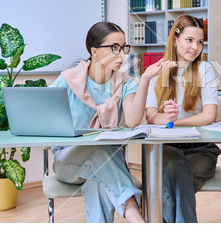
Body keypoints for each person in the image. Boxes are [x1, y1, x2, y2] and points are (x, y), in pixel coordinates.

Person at [51, 21, 175, 223]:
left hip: (104, 163)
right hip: (68, 161)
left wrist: (144, 79)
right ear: (95, 51)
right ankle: (138, 221)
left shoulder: (125, 82)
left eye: (124, 48)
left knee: (97, 181)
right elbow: (45, 117)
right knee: (98, 149)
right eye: (114, 48)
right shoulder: (68, 79)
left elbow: (134, 120)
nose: (122, 55)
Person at [145, 14, 220, 223]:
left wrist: (173, 122)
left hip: (201, 148)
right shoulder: (157, 72)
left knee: (166, 183)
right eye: (189, 40)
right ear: (175, 39)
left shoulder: (205, 69)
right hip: (168, 148)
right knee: (175, 168)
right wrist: (165, 117)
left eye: (199, 42)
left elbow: (209, 115)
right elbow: (150, 117)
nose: (195, 47)